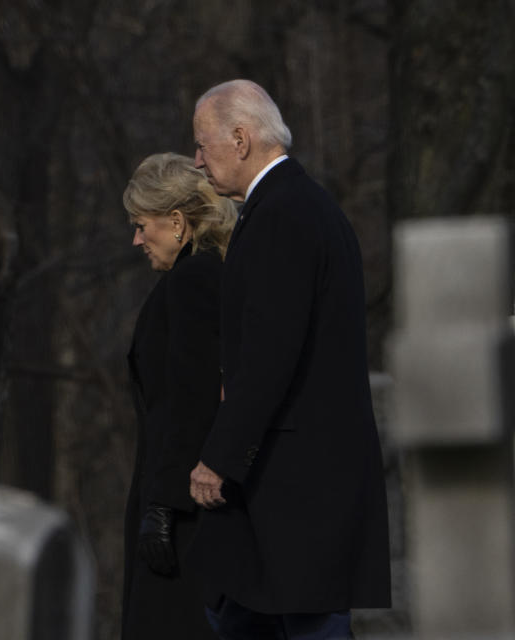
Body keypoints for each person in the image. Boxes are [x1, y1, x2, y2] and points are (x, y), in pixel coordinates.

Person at [187, 79, 391, 639]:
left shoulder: (284, 213)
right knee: (235, 610)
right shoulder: (296, 206)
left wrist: (220, 457)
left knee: (302, 625)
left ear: (241, 137)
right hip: (292, 482)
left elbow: (269, 354)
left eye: (203, 144)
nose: (197, 160)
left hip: (299, 484)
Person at [121, 152, 237, 640]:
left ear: (176, 222)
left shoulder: (192, 280)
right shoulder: (199, 275)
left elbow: (192, 400)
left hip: (183, 512)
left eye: (141, 225)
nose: (136, 239)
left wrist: (163, 509)